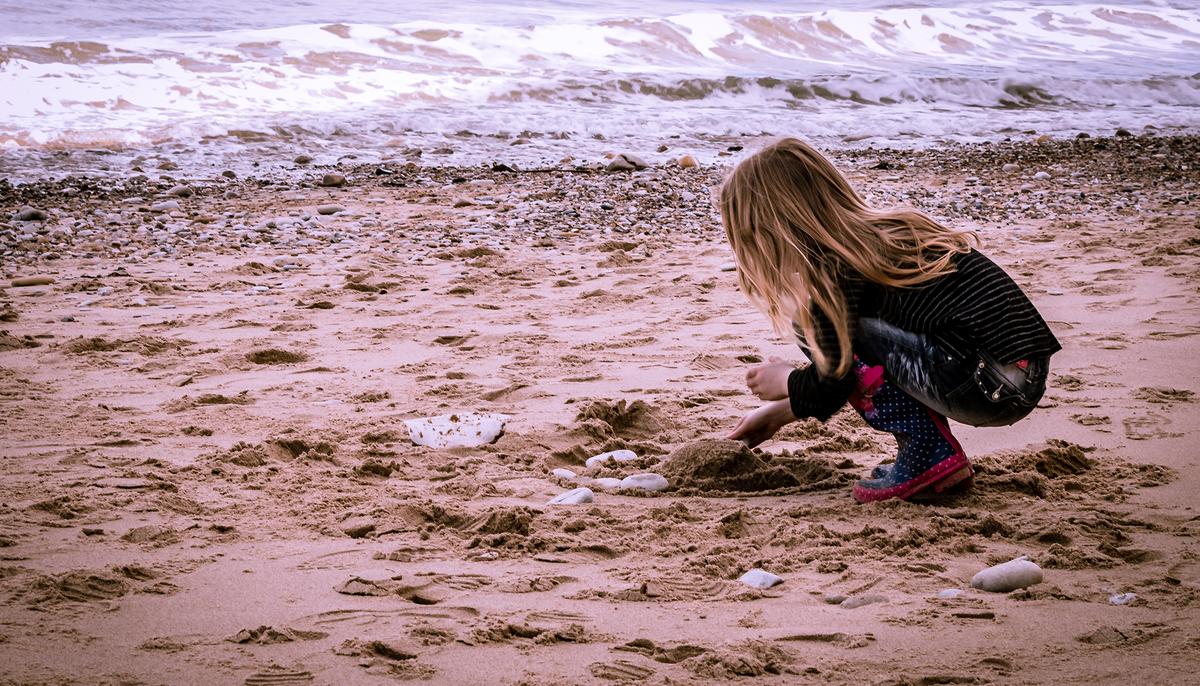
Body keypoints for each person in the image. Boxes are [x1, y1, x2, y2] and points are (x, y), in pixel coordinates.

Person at [719, 138, 1060, 503]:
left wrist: (786, 381)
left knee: (819, 332)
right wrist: (778, 413)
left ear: (777, 229)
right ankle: (929, 452)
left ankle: (927, 452)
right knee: (837, 335)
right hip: (1017, 375)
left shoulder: (836, 272)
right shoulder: (884, 236)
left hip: (983, 381)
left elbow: (837, 378)